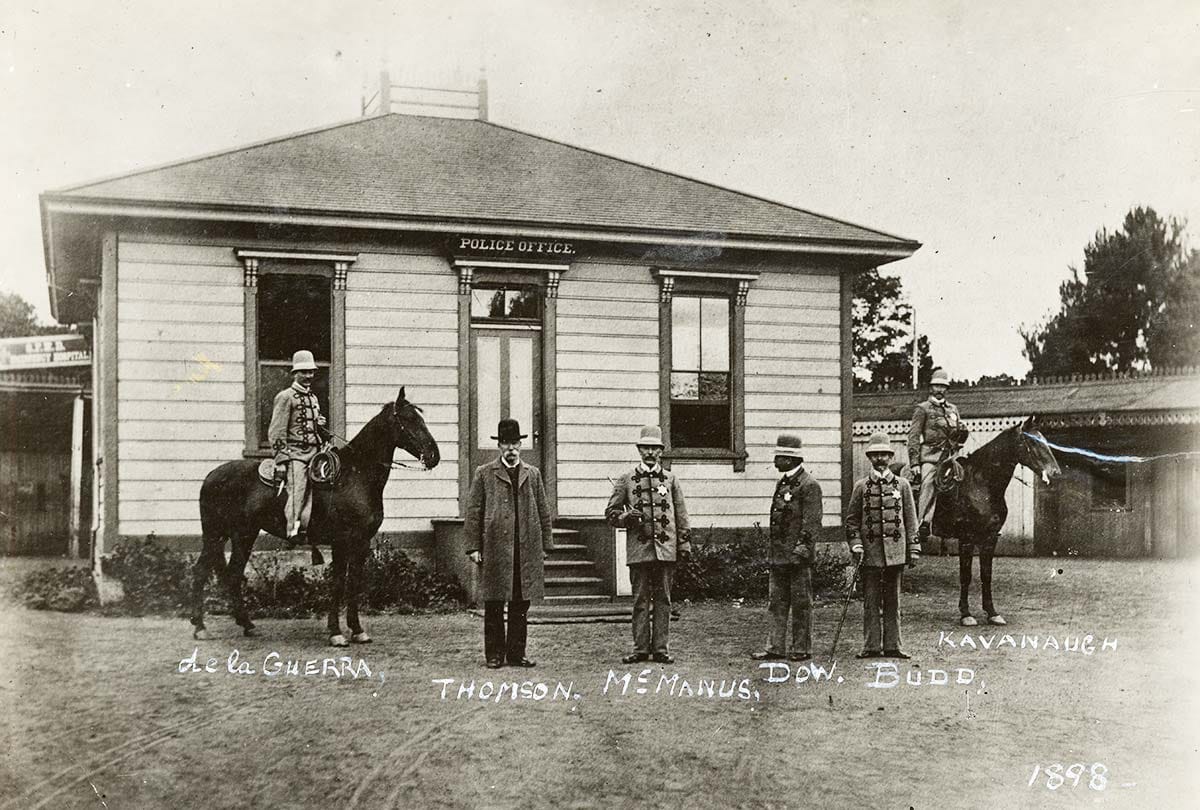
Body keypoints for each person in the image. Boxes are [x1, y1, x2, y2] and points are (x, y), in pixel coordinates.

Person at [464, 418, 553, 669]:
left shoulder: (532, 474)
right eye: (506, 444)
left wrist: (545, 545)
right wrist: (473, 546)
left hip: (524, 548)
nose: (511, 449)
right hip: (495, 547)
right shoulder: (484, 473)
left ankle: (516, 654)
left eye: (515, 444)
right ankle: (494, 654)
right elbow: (473, 511)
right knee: (493, 602)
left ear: (521, 445)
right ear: (499, 446)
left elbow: (543, 511)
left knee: (520, 604)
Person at [606, 425, 690, 665]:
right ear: (639, 450)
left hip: (666, 549)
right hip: (639, 550)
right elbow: (610, 513)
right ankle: (640, 648)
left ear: (661, 451)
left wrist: (683, 545)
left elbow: (682, 515)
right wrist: (625, 518)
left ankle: (661, 649)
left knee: (663, 599)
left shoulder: (671, 479)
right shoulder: (626, 480)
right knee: (640, 599)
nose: (650, 452)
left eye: (654, 448)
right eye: (646, 448)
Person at [846, 432, 920, 659]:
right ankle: (870, 646)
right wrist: (856, 545)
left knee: (893, 602)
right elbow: (851, 521)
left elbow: (911, 519)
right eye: (875, 454)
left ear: (890, 457)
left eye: (884, 455)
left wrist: (913, 549)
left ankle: (893, 646)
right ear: (869, 457)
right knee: (870, 602)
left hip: (895, 554)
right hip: (869, 554)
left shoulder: (903, 485)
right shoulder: (861, 486)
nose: (879, 459)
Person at [751, 433, 823, 663]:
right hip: (779, 556)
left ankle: (801, 648)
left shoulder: (809, 485)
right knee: (776, 603)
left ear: (790, 459)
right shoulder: (782, 483)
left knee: (801, 604)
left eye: (779, 457)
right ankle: (775, 647)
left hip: (797, 558)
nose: (775, 461)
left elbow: (812, 522)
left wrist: (801, 551)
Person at [268, 349, 329, 546]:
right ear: (295, 373)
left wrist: (320, 425)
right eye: (304, 372)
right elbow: (276, 431)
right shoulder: (286, 397)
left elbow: (314, 428)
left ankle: (314, 528)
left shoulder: (313, 398)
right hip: (296, 454)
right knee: (298, 490)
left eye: (311, 372)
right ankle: (292, 531)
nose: (309, 376)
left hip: (315, 454)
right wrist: (282, 460)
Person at [907, 367, 969, 541]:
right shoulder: (923, 409)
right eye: (936, 386)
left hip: (952, 457)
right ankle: (921, 524)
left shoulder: (953, 409)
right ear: (930, 388)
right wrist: (914, 464)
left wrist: (963, 432)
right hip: (931, 457)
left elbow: (958, 434)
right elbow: (913, 437)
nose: (940, 390)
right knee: (929, 482)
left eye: (943, 387)